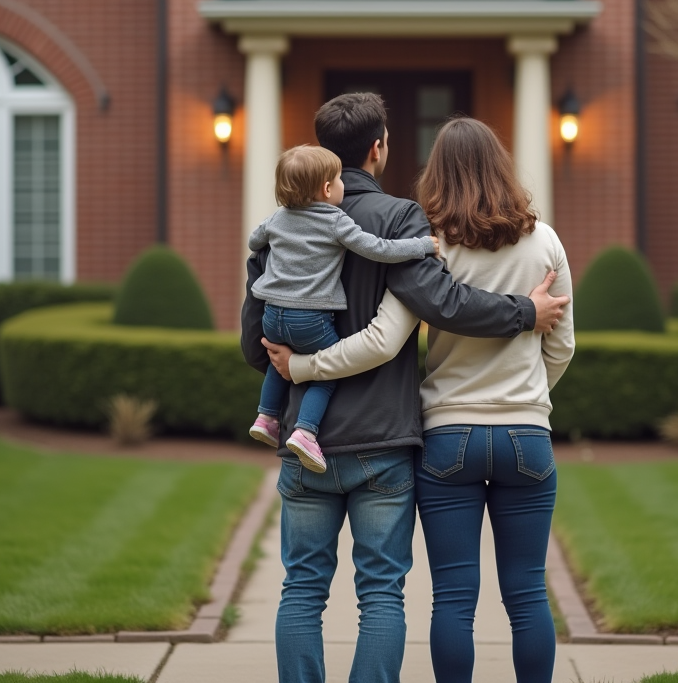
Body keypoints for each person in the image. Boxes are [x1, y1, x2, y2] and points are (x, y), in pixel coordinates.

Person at [240, 93, 569, 683]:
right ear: (379, 147)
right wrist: (526, 339)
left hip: (313, 439)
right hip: (386, 443)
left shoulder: (274, 231)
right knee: (387, 595)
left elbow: (254, 344)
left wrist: (297, 367)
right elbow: (438, 308)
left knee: (305, 591)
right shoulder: (402, 220)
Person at [246, 143, 440, 473]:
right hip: (309, 316)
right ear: (326, 189)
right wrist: (422, 245)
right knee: (326, 371)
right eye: (338, 180)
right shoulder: (335, 220)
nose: (343, 186)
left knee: (280, 360)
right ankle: (306, 432)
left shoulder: (278, 218)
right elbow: (378, 249)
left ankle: (266, 417)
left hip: (272, 316)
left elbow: (254, 241)